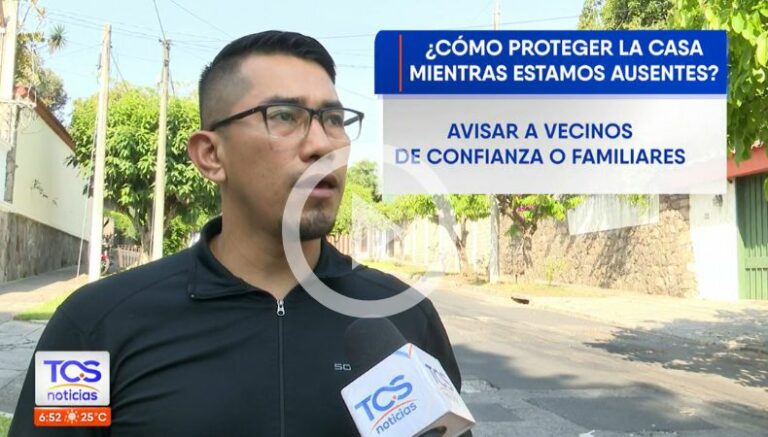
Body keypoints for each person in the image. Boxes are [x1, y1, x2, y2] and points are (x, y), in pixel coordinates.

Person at [10, 31, 468, 436]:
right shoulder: (91, 327)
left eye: (333, 119)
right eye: (284, 116)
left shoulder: (406, 317)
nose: (322, 144)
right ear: (211, 155)